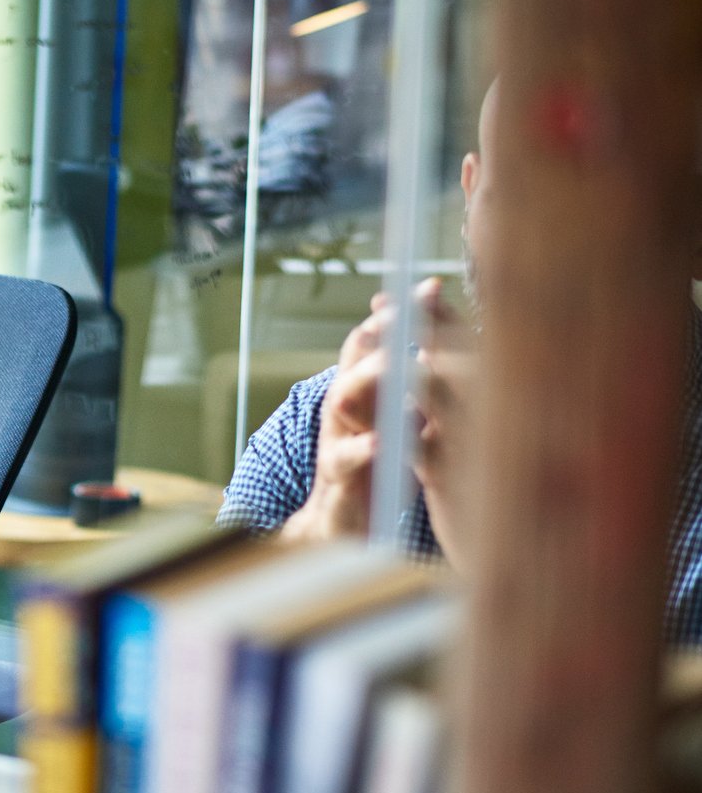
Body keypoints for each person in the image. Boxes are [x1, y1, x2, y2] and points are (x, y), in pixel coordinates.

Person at [221, 81, 702, 643]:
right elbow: (184, 690)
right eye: (512, 200)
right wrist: (326, 527)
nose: (540, 256)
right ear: (471, 193)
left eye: (598, 216)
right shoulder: (318, 427)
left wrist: (501, 566)